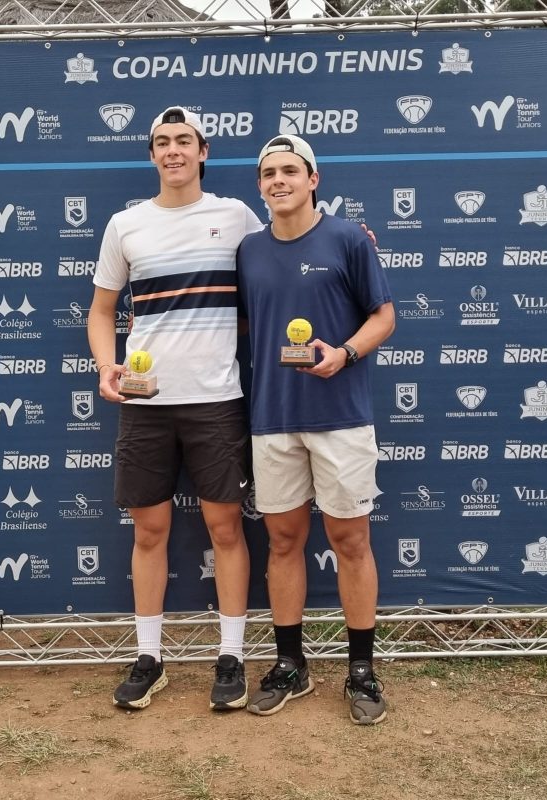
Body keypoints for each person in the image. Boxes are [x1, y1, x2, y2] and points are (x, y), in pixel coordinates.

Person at [87, 106, 263, 712]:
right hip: (146, 403)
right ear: (152, 154)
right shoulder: (126, 225)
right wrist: (105, 365)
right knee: (149, 531)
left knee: (226, 530)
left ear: (203, 150)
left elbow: (285, 257)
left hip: (217, 400)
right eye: (162, 142)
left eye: (183, 140)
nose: (173, 151)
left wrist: (351, 242)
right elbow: (101, 310)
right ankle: (149, 658)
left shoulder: (236, 216)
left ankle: (231, 657)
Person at [237, 135, 395, 725]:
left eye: (289, 171)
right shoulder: (248, 250)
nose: (278, 181)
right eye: (268, 174)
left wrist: (345, 353)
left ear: (313, 179)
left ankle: (362, 670)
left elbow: (384, 316)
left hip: (341, 417)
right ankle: (290, 664)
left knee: (351, 542)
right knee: (282, 542)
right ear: (260, 186)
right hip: (273, 417)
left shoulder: (349, 238)